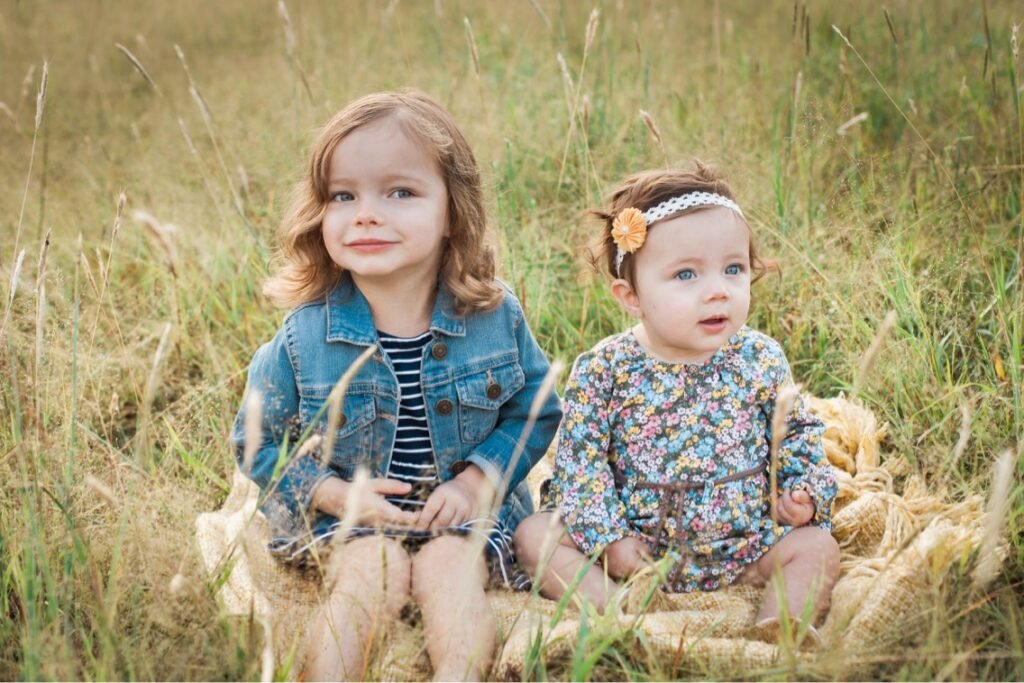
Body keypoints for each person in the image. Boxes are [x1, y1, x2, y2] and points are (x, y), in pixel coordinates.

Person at [231, 89, 561, 681]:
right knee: (368, 573)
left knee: (448, 572)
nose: (366, 213)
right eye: (343, 195)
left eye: (400, 192)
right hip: (347, 518)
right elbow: (256, 441)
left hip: (459, 516)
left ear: (452, 212)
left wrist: (476, 481)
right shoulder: (306, 333)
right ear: (320, 212)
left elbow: (535, 409)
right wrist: (332, 494)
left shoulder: (492, 316)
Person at [513, 163, 839, 643]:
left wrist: (803, 493)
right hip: (636, 553)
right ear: (631, 296)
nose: (717, 290)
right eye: (686, 273)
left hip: (745, 548)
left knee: (818, 546)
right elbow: (580, 469)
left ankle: (778, 633)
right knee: (534, 537)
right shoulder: (604, 369)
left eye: (734, 269)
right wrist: (611, 540)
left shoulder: (759, 357)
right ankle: (623, 617)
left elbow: (796, 434)